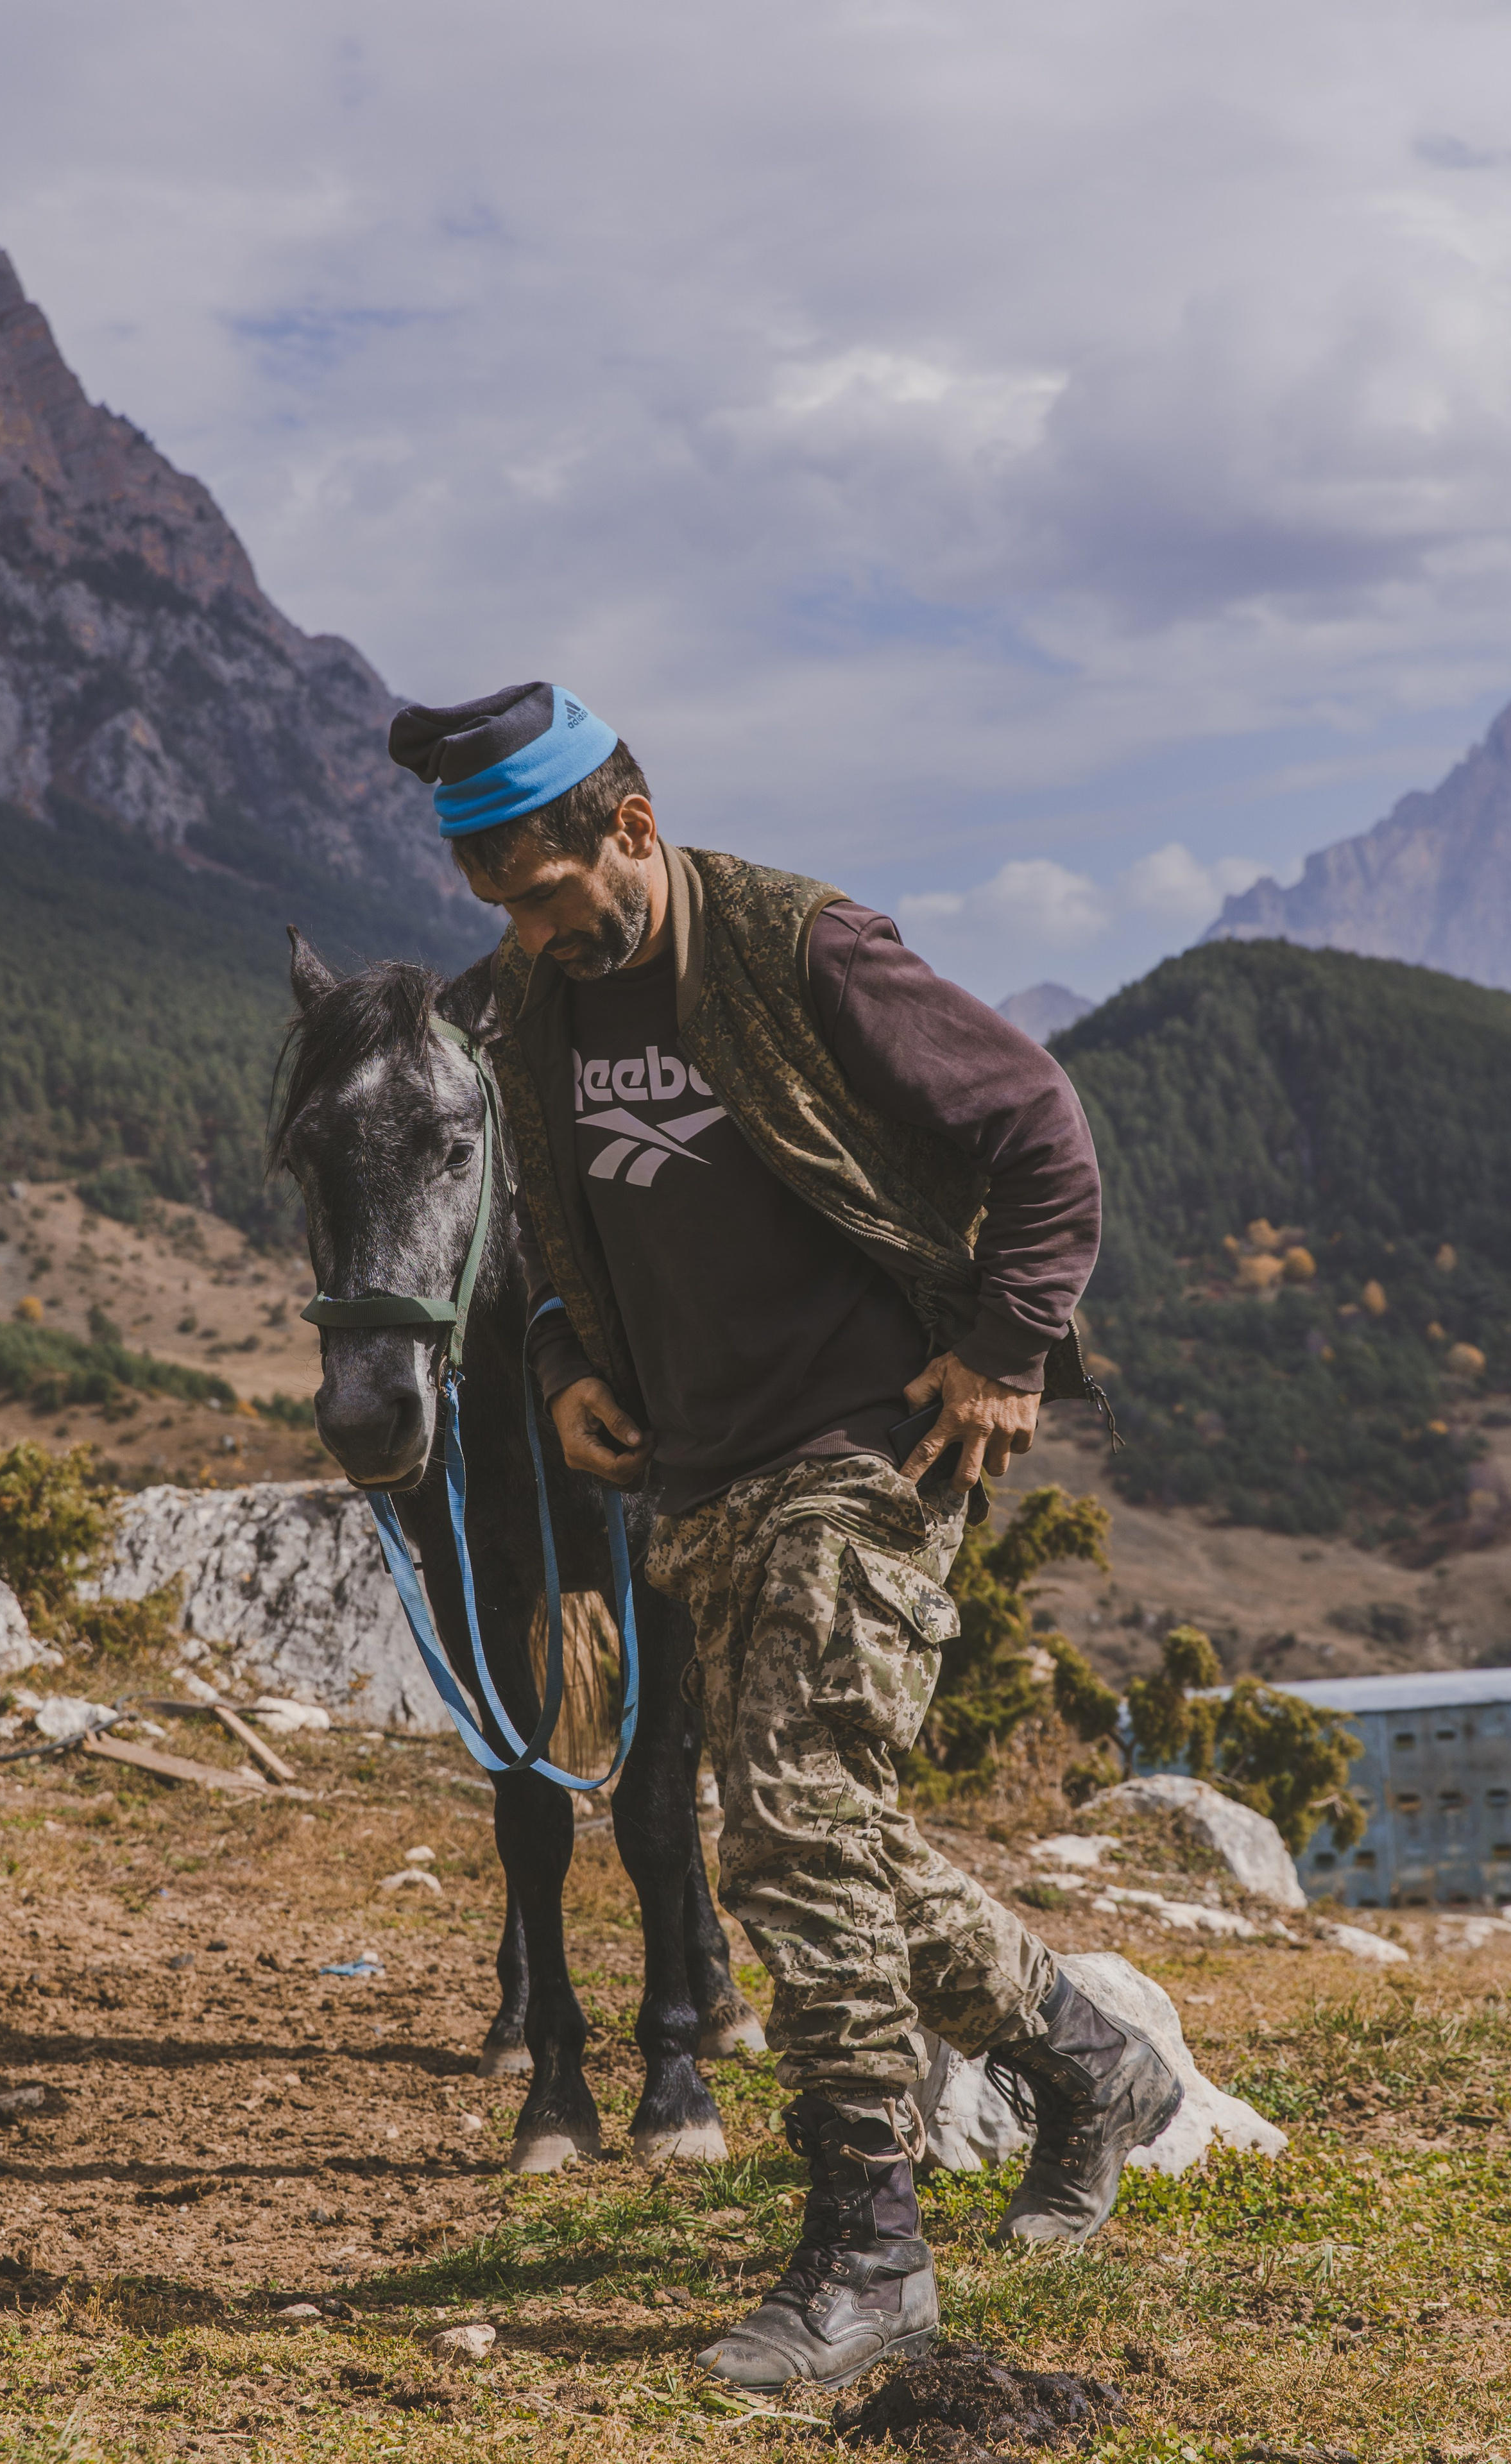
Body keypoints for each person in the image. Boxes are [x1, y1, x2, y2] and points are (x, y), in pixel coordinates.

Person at [388, 682, 1181, 2395]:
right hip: (697, 1467)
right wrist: (561, 1359)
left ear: (634, 831)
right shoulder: (537, 1006)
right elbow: (538, 1222)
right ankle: (1088, 2054)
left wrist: (1011, 1344)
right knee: (813, 1828)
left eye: (543, 894)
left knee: (791, 1826)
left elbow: (1040, 1123)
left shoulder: (798, 948)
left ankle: (870, 2250)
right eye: (497, 908)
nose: (525, 936)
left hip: (871, 1437)